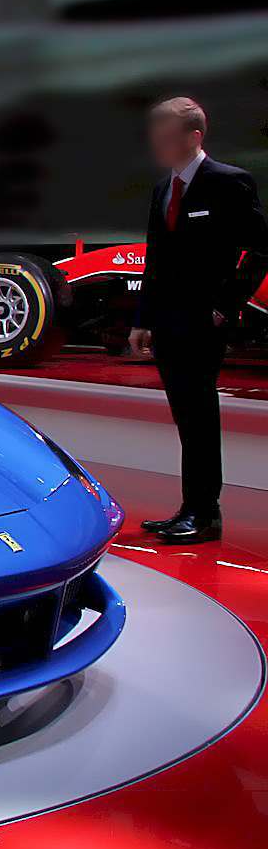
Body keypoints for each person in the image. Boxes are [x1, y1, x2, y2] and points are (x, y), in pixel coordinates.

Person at [130, 97, 268, 544]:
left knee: (200, 417)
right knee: (186, 418)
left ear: (193, 136)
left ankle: (204, 514)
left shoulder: (228, 182)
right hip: (167, 322)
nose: (159, 145)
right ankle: (192, 508)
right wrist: (142, 319)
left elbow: (261, 249)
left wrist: (224, 305)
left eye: (167, 137)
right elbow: (155, 259)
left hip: (205, 322)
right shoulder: (162, 189)